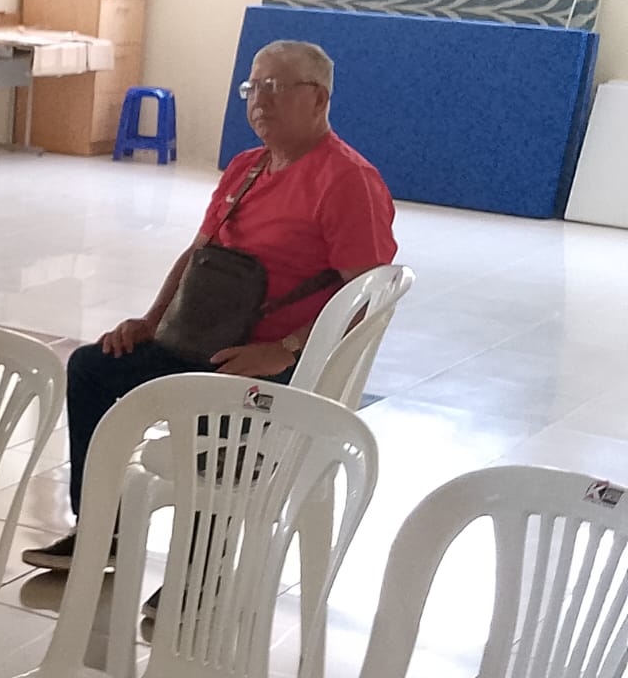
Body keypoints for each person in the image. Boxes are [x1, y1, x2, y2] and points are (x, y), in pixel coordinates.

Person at [22, 40, 397, 590]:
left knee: (213, 406)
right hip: (204, 339)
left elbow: (367, 295)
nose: (259, 101)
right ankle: (102, 527)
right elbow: (198, 255)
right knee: (92, 369)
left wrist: (284, 349)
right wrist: (151, 322)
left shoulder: (347, 180)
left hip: (280, 363)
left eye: (276, 87)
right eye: (253, 87)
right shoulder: (247, 167)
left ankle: (201, 570)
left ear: (318, 99)